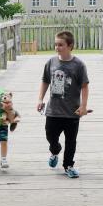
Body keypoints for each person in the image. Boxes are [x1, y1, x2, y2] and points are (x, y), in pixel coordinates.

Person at [36, 30, 89, 178]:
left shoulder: (78, 65)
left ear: (70, 46)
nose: (57, 47)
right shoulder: (51, 62)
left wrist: (83, 106)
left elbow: (84, 86)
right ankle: (55, 150)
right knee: (50, 135)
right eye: (56, 44)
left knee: (71, 141)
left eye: (61, 45)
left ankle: (69, 166)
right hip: (53, 110)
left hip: (72, 111)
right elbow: (45, 80)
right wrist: (40, 99)